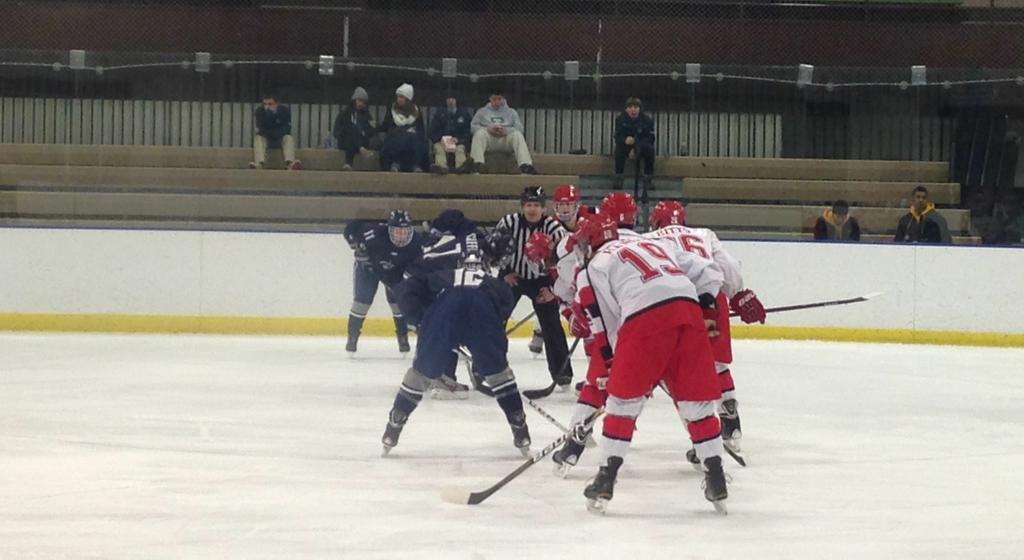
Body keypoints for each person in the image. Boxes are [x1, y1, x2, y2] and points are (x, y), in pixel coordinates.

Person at [568, 215, 728, 514]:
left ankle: (605, 477)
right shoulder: (654, 242)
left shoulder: (591, 269)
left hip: (644, 320)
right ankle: (716, 476)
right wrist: (705, 306)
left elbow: (606, 324)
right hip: (689, 311)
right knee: (697, 404)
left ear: (589, 244)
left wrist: (616, 364)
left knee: (622, 405)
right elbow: (708, 272)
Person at [383, 229, 530, 457]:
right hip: (482, 312)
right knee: (499, 374)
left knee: (422, 373)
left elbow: (408, 290)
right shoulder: (493, 282)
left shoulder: (442, 276)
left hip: (444, 311)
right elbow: (504, 304)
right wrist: (488, 349)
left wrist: (422, 322)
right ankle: (519, 426)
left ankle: (395, 424)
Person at [646, 199, 765, 458]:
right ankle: (730, 421)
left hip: (674, 302)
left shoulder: (647, 238)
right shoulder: (703, 234)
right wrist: (739, 295)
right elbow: (728, 267)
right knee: (718, 365)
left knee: (683, 377)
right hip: (713, 299)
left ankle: (700, 442)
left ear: (655, 221)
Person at [496, 187, 573, 389]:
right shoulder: (508, 223)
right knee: (494, 320)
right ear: (522, 207)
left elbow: (566, 263)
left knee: (552, 325)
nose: (532, 209)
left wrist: (554, 290)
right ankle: (487, 367)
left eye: (536, 205)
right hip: (513, 276)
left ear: (544, 208)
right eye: (529, 205)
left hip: (543, 281)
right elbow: (495, 248)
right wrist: (505, 273)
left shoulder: (555, 229)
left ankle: (562, 374)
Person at [342, 210, 427, 355]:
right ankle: (352, 338)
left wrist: (405, 279)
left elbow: (417, 266)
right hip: (368, 270)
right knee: (362, 301)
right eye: (397, 231)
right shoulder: (373, 233)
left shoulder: (417, 243)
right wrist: (353, 243)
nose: (401, 236)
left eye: (404, 231)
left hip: (394, 273)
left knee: (399, 303)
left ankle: (402, 337)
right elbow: (351, 227)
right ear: (389, 229)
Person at [527, 184, 586, 357]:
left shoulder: (589, 219)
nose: (565, 209)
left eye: (569, 204)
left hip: (586, 266)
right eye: (561, 205)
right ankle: (540, 329)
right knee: (549, 294)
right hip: (560, 267)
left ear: (577, 205)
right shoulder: (550, 225)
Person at [466, 88, 537, 175]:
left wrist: (508, 130)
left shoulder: (511, 112)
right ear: (490, 99)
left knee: (517, 135)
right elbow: (473, 127)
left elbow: (519, 128)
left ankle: (526, 165)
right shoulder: (481, 112)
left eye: (499, 99)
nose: (497, 102)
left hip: (505, 140)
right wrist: (487, 129)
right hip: (489, 140)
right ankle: (476, 165)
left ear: (503, 99)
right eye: (494, 99)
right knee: (479, 133)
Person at [378, 83, 427, 173]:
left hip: (411, 139)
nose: (399, 99)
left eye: (402, 97)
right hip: (395, 137)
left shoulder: (416, 111)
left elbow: (420, 129)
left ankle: (415, 165)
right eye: (398, 97)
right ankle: (395, 163)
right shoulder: (392, 109)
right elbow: (386, 125)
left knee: (414, 139)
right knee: (399, 137)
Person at [612, 97, 655, 191]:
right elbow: (617, 136)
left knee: (650, 150)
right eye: (630, 107)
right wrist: (624, 140)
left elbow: (650, 138)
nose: (633, 110)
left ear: (640, 109)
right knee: (618, 150)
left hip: (642, 146)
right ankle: (618, 178)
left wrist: (637, 144)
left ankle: (648, 179)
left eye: (636, 107)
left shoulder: (647, 120)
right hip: (625, 147)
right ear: (626, 109)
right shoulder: (620, 119)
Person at [250, 94, 301, 170]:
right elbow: (260, 130)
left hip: (279, 138)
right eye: (264, 104)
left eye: (270, 104)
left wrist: (272, 133)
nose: (267, 107)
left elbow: (287, 129)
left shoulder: (284, 111)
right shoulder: (259, 111)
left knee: (288, 138)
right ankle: (259, 164)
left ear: (277, 104)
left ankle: (290, 163)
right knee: (258, 138)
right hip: (267, 138)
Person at [333, 86, 376, 171]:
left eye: (363, 102)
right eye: (359, 100)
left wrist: (372, 127)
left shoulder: (366, 115)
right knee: (351, 130)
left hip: (361, 140)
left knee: (353, 134)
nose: (361, 104)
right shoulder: (345, 113)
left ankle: (348, 163)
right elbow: (337, 130)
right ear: (354, 100)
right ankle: (361, 148)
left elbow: (371, 132)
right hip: (345, 140)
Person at [428, 97, 472, 174]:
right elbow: (432, 132)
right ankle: (441, 168)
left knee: (460, 149)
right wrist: (440, 139)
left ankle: (461, 168)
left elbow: (468, 132)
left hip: (458, 142)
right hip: (441, 141)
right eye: (448, 99)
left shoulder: (464, 114)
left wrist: (459, 139)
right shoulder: (439, 113)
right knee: (439, 149)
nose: (451, 101)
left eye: (453, 99)